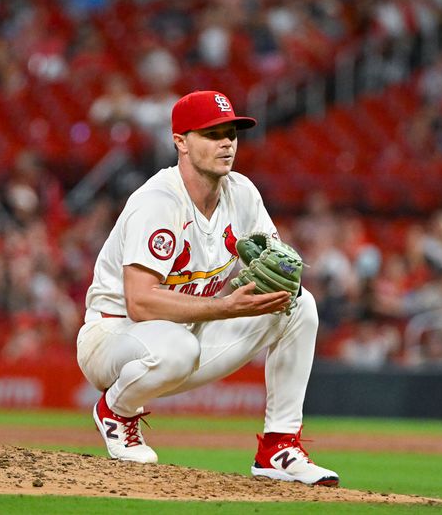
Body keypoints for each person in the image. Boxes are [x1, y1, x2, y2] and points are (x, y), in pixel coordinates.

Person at [76, 90, 339, 486]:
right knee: (177, 347)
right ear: (180, 141)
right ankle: (117, 410)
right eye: (211, 134)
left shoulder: (242, 194)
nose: (226, 143)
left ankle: (279, 448)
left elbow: (277, 260)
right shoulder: (158, 202)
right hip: (114, 336)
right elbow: (141, 302)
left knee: (298, 305)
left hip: (189, 334)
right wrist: (226, 307)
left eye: (231, 133)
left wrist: (281, 269)